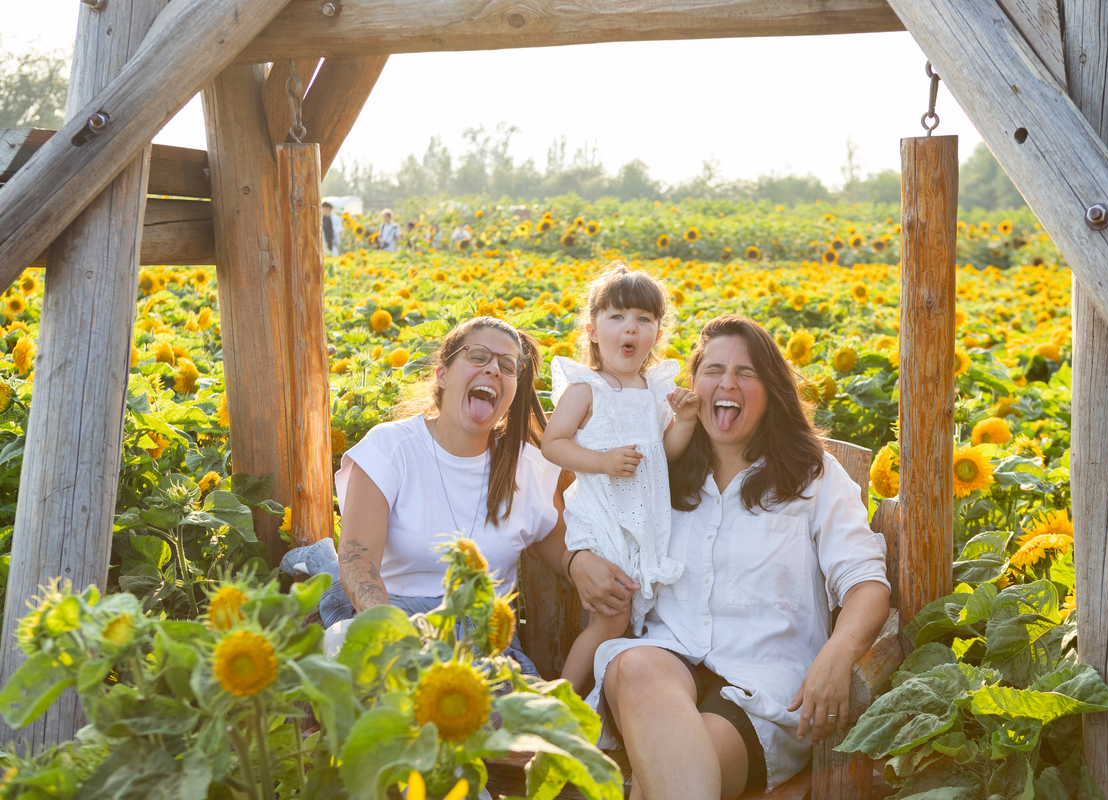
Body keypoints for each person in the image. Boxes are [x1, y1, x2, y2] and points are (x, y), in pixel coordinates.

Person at [568, 316, 890, 799]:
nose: (727, 384)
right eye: (714, 370)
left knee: (676, 771)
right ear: (692, 386)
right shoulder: (659, 469)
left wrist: (838, 653)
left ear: (773, 391)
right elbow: (584, 511)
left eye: (746, 372)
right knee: (635, 667)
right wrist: (577, 560)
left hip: (762, 685)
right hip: (662, 662)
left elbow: (865, 583)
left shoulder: (813, 477)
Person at [280, 317, 625, 677]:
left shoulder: (526, 468)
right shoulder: (391, 448)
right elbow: (357, 560)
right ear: (442, 374)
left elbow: (564, 549)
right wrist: (395, 637)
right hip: (393, 620)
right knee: (355, 666)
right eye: (478, 357)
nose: (493, 369)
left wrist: (580, 563)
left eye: (507, 366)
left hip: (486, 647)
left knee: (518, 712)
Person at [543, 264, 699, 693]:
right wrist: (602, 461)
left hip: (645, 520)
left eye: (643, 319)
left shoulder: (655, 391)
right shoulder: (586, 388)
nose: (631, 327)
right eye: (617, 317)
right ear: (592, 331)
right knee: (611, 616)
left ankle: (607, 699)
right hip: (602, 516)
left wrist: (685, 421)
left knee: (635, 614)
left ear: (656, 334)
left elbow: (663, 455)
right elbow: (553, 443)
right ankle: (562, 698)